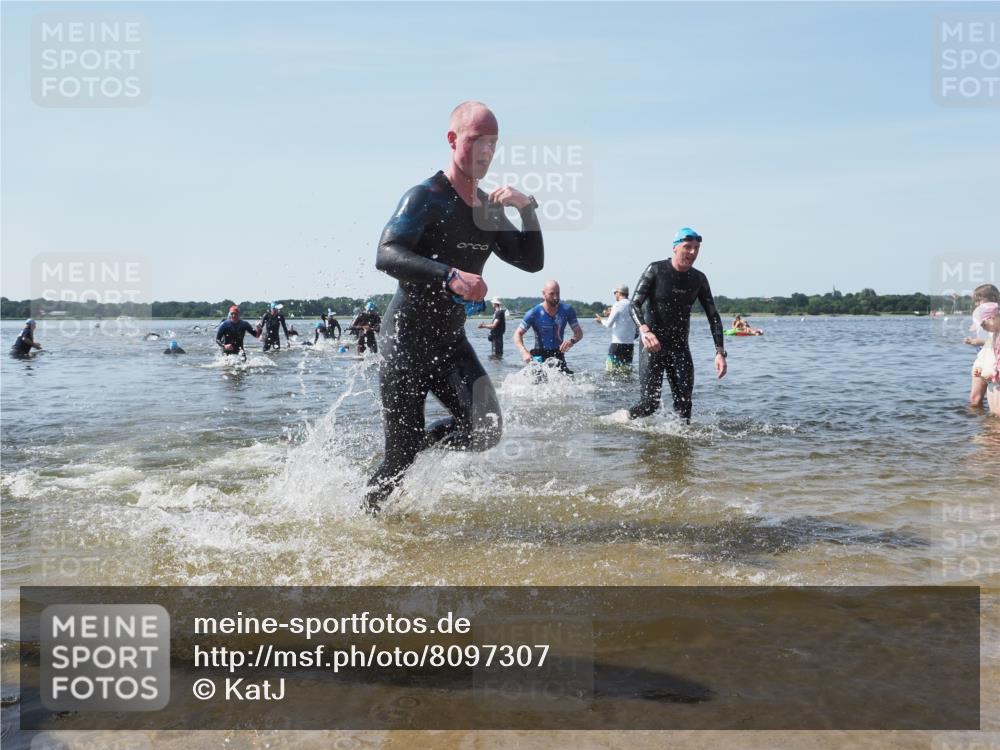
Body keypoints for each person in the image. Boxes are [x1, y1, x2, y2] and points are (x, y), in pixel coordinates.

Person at [364, 100, 544, 514]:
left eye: (493, 144)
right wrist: (450, 275)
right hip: (405, 343)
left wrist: (527, 207)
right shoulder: (425, 197)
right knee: (398, 461)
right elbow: (387, 254)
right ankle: (365, 519)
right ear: (452, 140)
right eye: (476, 140)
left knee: (486, 428)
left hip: (449, 342)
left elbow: (531, 261)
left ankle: (420, 446)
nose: (485, 152)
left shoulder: (487, 209)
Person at [625, 227, 727, 423]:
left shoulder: (698, 279)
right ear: (675, 248)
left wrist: (719, 352)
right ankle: (622, 418)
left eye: (696, 248)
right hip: (652, 347)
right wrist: (645, 331)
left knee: (685, 406)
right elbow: (634, 304)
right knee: (649, 405)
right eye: (687, 247)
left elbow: (713, 316)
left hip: (680, 348)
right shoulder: (656, 270)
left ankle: (682, 451)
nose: (692, 252)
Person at [514, 280, 582, 374]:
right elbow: (517, 334)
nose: (555, 297)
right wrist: (524, 351)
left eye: (558, 293)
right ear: (544, 294)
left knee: (568, 381)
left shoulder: (567, 310)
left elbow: (579, 333)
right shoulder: (534, 313)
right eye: (552, 294)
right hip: (539, 356)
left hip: (558, 354)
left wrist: (572, 341)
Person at [965, 283, 1000, 408]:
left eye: (979, 300)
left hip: (993, 361)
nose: (976, 304)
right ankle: (978, 421)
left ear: (994, 299)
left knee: (993, 396)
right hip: (981, 358)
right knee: (975, 398)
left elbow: (995, 343)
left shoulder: (995, 317)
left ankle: (992, 422)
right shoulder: (982, 315)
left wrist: (979, 342)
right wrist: (974, 339)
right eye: (975, 302)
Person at [595, 283, 638, 372]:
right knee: (626, 373)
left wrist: (601, 320)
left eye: (615, 293)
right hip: (629, 346)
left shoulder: (618, 305)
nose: (614, 295)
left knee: (610, 373)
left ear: (619, 293)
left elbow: (608, 324)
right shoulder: (633, 305)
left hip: (617, 346)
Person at [971, 301, 1000, 417]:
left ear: (992, 318)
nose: (983, 328)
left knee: (998, 413)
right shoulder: (993, 334)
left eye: (983, 324)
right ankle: (992, 433)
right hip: (993, 379)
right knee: (993, 413)